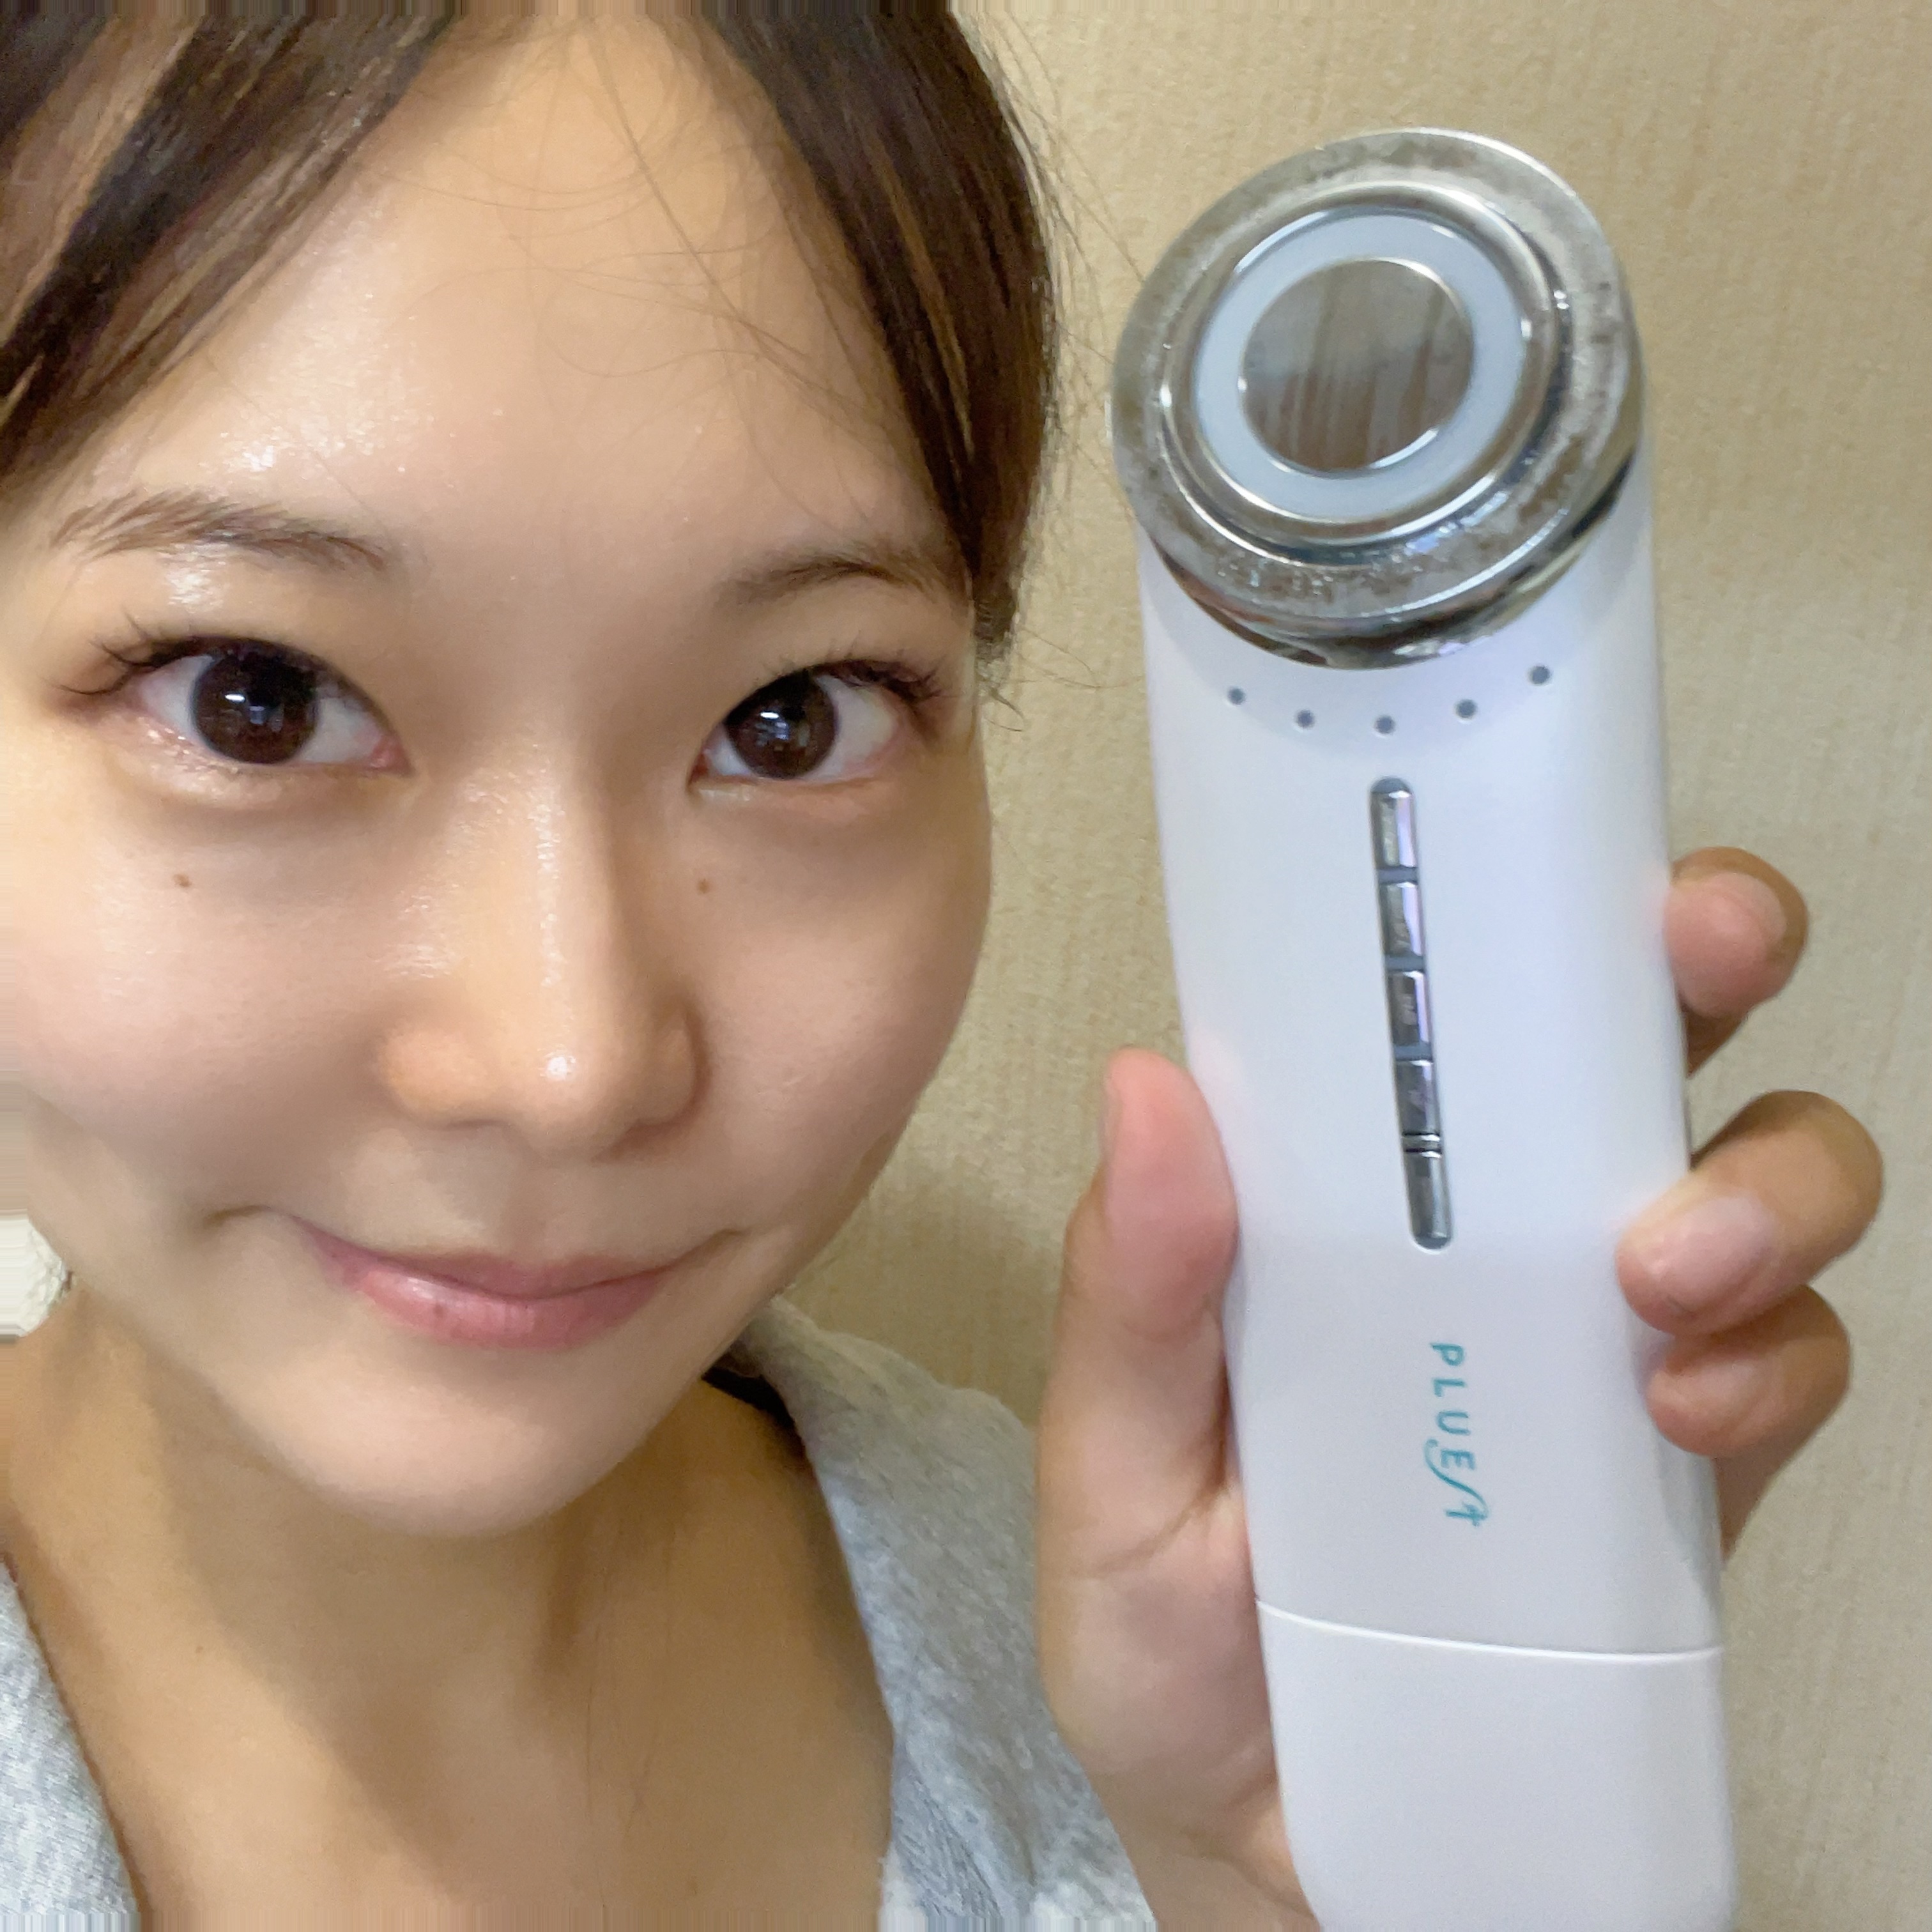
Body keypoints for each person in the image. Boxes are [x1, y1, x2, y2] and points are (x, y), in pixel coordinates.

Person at [0, 10, 1882, 1923]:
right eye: (255, 702)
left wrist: (1297, 1881)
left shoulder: (1157, 1688)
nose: (572, 1062)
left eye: (792, 719)